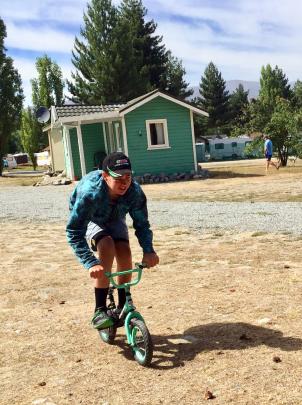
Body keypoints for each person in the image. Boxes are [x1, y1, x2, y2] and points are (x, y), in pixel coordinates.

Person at [66, 152, 159, 330]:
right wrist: (90, 262)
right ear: (105, 176)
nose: (124, 182)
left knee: (124, 252)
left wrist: (149, 250)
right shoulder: (90, 193)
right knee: (107, 245)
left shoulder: (135, 192)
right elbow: (74, 230)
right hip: (91, 217)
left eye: (128, 176)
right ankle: (99, 310)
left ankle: (123, 304)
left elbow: (142, 224)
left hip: (115, 216)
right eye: (118, 178)